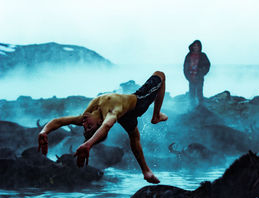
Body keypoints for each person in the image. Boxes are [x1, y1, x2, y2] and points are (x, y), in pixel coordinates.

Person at [38, 71, 168, 184]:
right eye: (89, 127)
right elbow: (106, 126)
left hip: (125, 114)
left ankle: (146, 171)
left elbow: (58, 121)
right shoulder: (111, 113)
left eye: (85, 126)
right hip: (139, 103)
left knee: (134, 138)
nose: (84, 124)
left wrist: (44, 131)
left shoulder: (85, 116)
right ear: (99, 122)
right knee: (160, 75)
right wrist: (88, 144)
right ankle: (156, 116)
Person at [183, 40, 210, 104]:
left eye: (197, 46)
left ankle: (200, 107)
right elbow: (185, 67)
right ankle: (191, 109)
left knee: (199, 93)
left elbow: (207, 65)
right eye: (194, 45)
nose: (196, 47)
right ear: (192, 46)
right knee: (192, 94)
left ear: (200, 47)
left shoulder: (203, 55)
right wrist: (188, 77)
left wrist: (202, 73)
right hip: (191, 77)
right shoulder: (189, 55)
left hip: (199, 77)